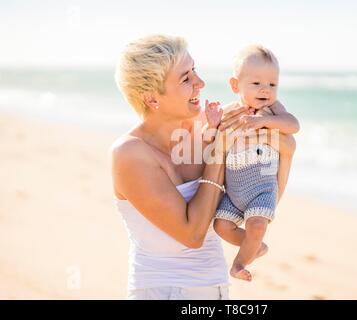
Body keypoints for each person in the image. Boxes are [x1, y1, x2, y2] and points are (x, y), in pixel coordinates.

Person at [109, 34, 297, 299]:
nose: (201, 83)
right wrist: (218, 151)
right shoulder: (129, 153)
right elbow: (193, 234)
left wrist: (286, 154)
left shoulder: (210, 125)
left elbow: (261, 197)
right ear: (152, 99)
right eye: (186, 78)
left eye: (194, 70)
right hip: (161, 292)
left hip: (215, 290)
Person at [207, 45, 300, 282]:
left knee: (257, 225)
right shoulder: (230, 112)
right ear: (235, 85)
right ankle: (254, 247)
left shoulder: (272, 110)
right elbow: (210, 141)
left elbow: (293, 126)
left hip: (262, 189)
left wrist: (265, 122)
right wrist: (212, 123)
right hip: (234, 190)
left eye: (272, 84)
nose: (266, 90)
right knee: (221, 226)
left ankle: (239, 264)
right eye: (257, 83)